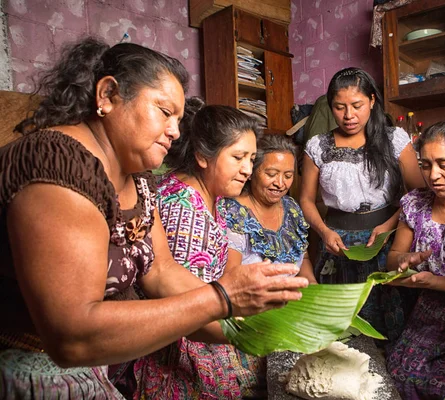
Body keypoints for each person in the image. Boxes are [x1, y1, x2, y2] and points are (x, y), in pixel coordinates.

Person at [0, 37, 308, 399]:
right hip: (32, 373)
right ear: (108, 95)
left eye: (179, 119)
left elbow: (161, 272)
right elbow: (71, 337)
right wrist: (222, 298)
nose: (176, 131)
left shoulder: (138, 180)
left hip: (98, 368)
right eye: (164, 112)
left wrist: (253, 328)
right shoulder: (56, 163)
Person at [133, 103, 275, 399]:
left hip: (211, 325)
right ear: (202, 156)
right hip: (183, 349)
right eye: (238, 157)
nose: (248, 169)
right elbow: (182, 306)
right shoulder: (182, 209)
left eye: (251, 158)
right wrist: (256, 332)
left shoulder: (215, 197)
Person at [299, 67, 424, 337]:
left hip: (386, 239)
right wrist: (324, 232)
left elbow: (418, 194)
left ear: (371, 101)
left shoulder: (393, 139)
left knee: (386, 322)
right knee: (341, 327)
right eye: (339, 107)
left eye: (356, 105)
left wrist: (390, 225)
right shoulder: (318, 146)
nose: (348, 115)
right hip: (337, 244)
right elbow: (306, 200)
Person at [384, 122, 445, 399]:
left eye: (444, 164)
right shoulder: (415, 203)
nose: (433, 174)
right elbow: (392, 260)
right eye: (425, 165)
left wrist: (435, 281)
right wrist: (405, 260)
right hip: (427, 311)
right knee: (401, 372)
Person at [225, 133, 318, 284]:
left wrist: (313, 288)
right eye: (271, 174)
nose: (280, 184)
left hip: (295, 301)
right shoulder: (235, 214)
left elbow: (304, 258)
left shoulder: (292, 208)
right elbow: (231, 277)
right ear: (251, 172)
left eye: (288, 176)